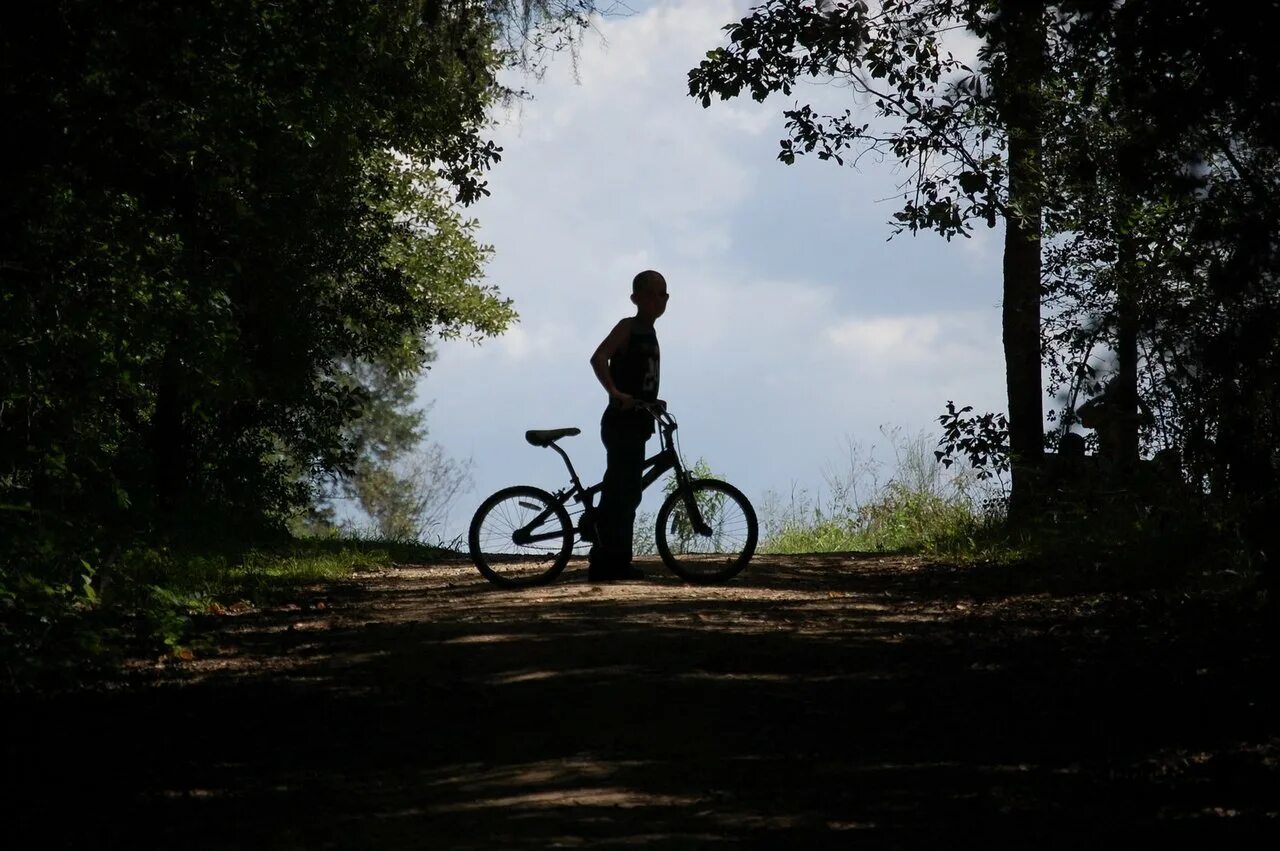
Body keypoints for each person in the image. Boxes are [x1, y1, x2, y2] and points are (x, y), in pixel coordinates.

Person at [586, 270, 668, 581]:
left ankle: (617, 559)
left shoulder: (650, 332)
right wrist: (615, 393)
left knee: (629, 492)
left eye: (662, 295)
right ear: (635, 299)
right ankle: (606, 561)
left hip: (639, 422)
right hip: (621, 422)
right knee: (620, 492)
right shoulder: (628, 328)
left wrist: (652, 402)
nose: (657, 300)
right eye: (650, 294)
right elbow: (599, 358)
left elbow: (642, 377)